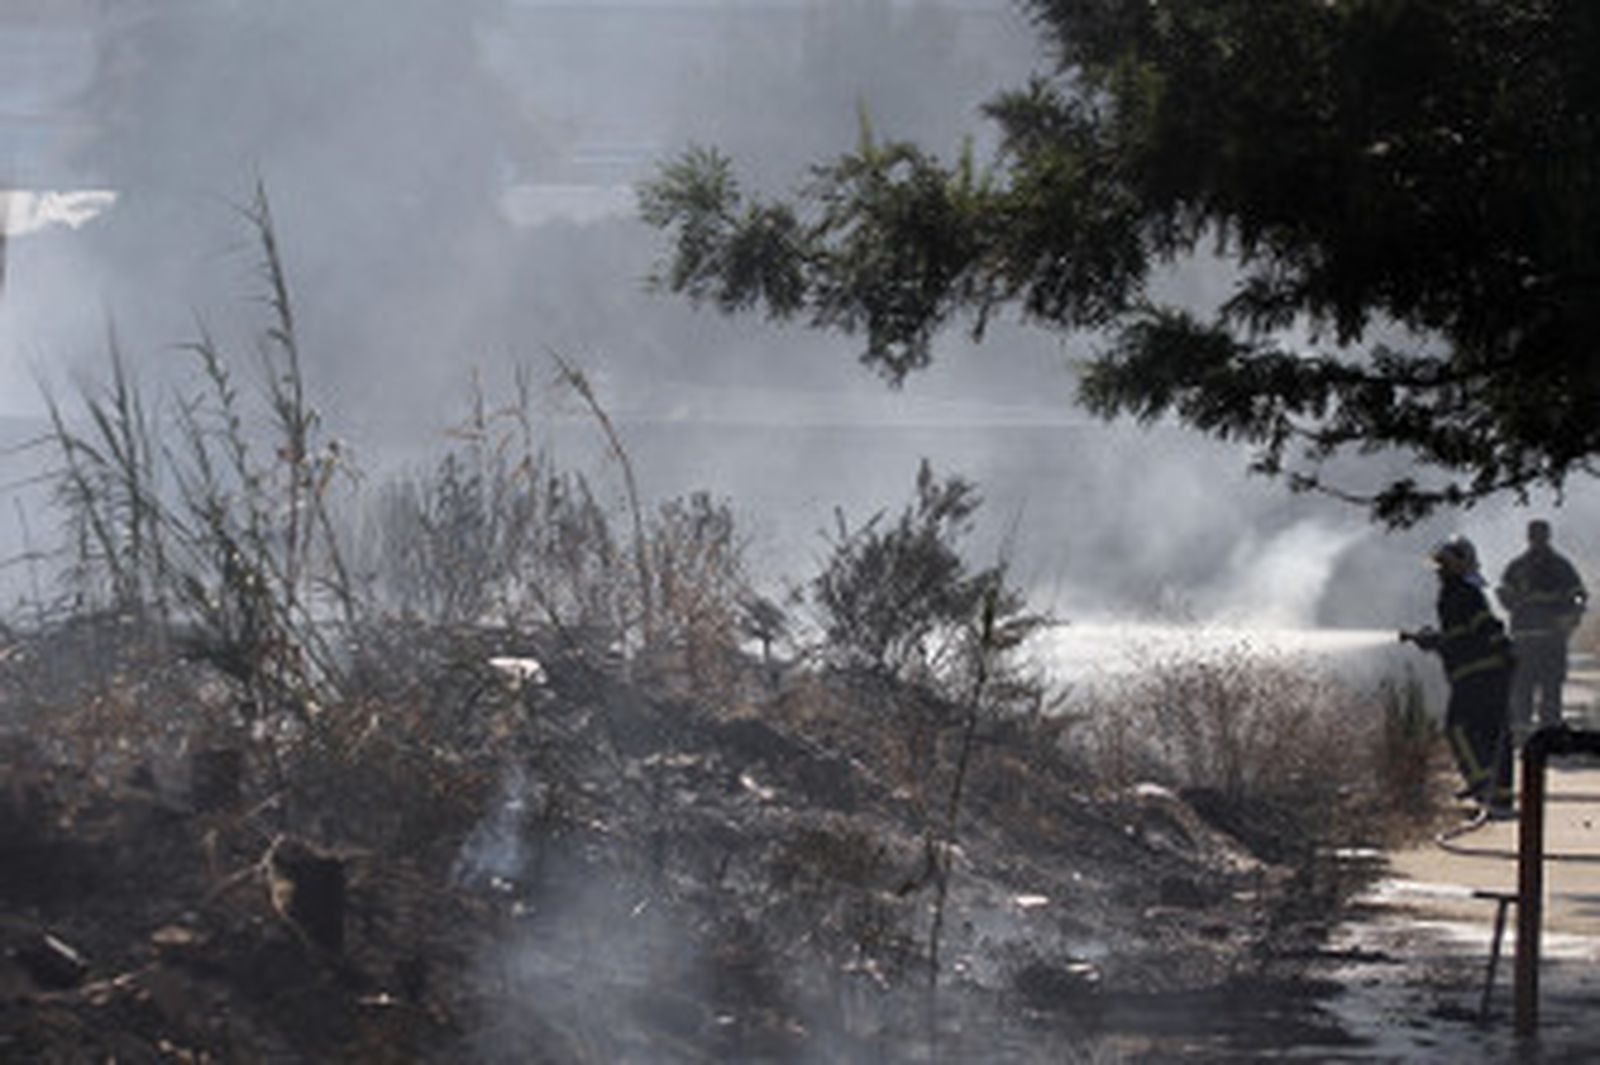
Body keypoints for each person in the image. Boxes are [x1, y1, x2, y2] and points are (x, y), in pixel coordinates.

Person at [1402, 536, 1516, 819]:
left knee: (1459, 729)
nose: (1439, 572)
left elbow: (1480, 630)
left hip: (1476, 674)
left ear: (1459, 565)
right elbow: (1466, 634)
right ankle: (1499, 798)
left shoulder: (1460, 593)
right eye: (1439, 566)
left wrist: (1434, 640)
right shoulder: (1466, 591)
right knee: (1491, 734)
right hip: (1488, 674)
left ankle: (1481, 785)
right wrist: (1431, 639)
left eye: (1445, 565)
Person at [1497, 519, 1587, 736]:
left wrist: (1571, 618)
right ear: (1529, 537)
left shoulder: (1560, 567)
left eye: (1540, 536)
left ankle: (1547, 732)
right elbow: (1503, 594)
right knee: (1524, 687)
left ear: (1547, 537)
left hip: (1549, 638)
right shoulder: (1518, 567)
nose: (1538, 541)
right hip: (1527, 637)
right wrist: (1512, 603)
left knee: (1549, 686)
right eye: (1535, 536)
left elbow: (1579, 596)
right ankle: (1524, 733)